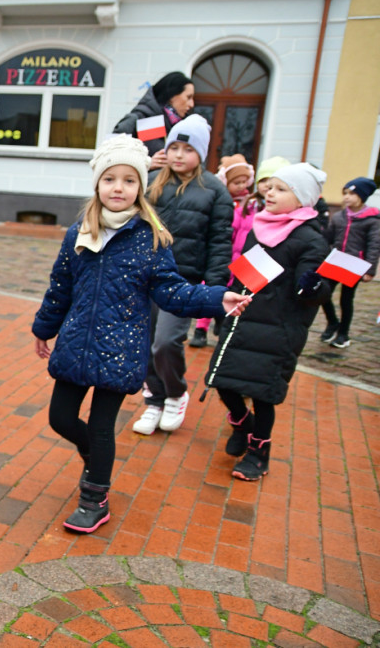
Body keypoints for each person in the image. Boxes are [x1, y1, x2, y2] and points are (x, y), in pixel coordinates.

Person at [32, 134, 249, 533]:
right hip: (77, 344)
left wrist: (217, 299)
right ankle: (92, 454)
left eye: (129, 180)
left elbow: (172, 290)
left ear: (141, 187)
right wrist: (44, 328)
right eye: (110, 179)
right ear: (97, 184)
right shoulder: (79, 232)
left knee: (102, 426)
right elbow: (60, 285)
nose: (119, 188)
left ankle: (94, 498)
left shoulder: (150, 237)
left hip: (120, 349)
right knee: (60, 418)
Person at [204, 163, 332, 480]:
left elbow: (315, 289)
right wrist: (228, 301)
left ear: (302, 199)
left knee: (262, 394)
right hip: (243, 320)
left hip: (279, 330)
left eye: (280, 189)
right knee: (223, 383)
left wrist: (313, 287)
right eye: (269, 187)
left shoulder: (310, 239)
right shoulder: (260, 227)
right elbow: (246, 274)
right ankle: (241, 425)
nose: (270, 193)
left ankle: (259, 453)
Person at [133, 114, 233, 435]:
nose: (178, 155)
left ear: (201, 154)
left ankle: (175, 393)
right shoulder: (151, 181)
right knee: (143, 341)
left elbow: (220, 243)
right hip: (145, 277)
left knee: (165, 342)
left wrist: (215, 294)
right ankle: (154, 399)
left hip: (183, 281)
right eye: (173, 147)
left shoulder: (215, 191)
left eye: (187, 149)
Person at [190, 154, 261, 348]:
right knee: (210, 290)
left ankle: (223, 324)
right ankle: (200, 329)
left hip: (240, 258)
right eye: (235, 182)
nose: (240, 186)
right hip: (222, 256)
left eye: (243, 182)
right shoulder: (222, 202)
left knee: (231, 293)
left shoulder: (250, 204)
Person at [319, 177, 379, 348]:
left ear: (362, 196)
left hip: (354, 265)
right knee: (323, 293)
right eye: (345, 193)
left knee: (346, 300)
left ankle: (343, 334)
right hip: (336, 262)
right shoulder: (339, 217)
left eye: (352, 193)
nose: (346, 197)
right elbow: (328, 238)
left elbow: (374, 245)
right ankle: (332, 322)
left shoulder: (372, 220)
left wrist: (370, 269)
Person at [113, 71, 195, 170]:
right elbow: (110, 158)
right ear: (172, 96)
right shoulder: (140, 119)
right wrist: (145, 164)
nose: (191, 104)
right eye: (188, 97)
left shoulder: (183, 125)